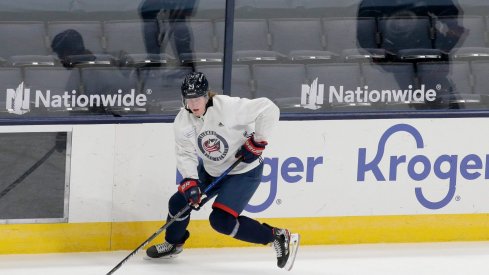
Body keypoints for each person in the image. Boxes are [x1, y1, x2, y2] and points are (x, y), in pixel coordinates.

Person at [145, 72, 300, 270]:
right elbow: (185, 153)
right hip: (210, 170)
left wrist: (258, 142)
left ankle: (277, 236)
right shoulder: (183, 120)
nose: (193, 104)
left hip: (244, 171)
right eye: (189, 99)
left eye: (197, 98)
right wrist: (190, 180)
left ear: (207, 96)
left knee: (221, 221)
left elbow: (268, 108)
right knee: (178, 202)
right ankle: (174, 244)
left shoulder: (228, 107)